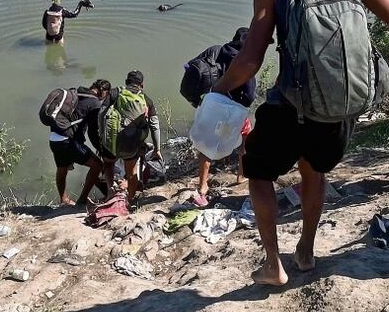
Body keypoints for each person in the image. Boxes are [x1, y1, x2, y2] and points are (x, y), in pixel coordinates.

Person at [212, 0, 389, 286]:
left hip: (288, 105)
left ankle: (272, 265)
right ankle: (306, 252)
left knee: (259, 172)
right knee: (315, 172)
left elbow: (250, 61)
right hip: (335, 109)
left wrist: (218, 90)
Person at [181, 27, 257, 206]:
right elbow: (250, 94)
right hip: (232, 109)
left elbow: (190, 66)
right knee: (246, 138)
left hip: (212, 105)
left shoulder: (216, 51)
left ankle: (203, 185)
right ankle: (240, 175)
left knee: (207, 145)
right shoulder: (244, 60)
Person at [90, 70, 163, 205]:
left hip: (112, 143)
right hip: (131, 145)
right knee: (131, 171)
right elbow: (154, 125)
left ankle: (110, 193)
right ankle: (129, 199)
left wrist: (101, 134)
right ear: (142, 84)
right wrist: (157, 149)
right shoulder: (146, 100)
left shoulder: (115, 92)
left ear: (126, 82)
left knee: (108, 164)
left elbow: (101, 113)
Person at [43, 80, 110, 206]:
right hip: (69, 141)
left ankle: (64, 199)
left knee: (62, 169)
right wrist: (101, 149)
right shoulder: (94, 103)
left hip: (54, 138)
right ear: (104, 92)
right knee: (97, 165)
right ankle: (82, 200)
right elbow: (92, 132)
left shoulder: (75, 93)